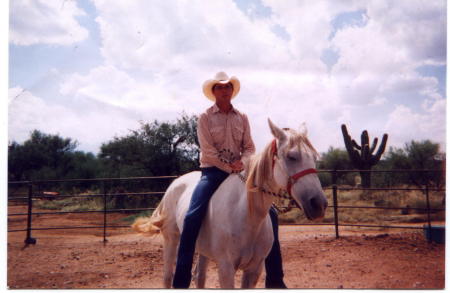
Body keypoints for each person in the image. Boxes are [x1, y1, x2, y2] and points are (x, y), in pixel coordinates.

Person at [172, 71, 287, 289]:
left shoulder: (241, 117)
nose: (224, 90)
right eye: (219, 87)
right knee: (193, 215)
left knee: (270, 213)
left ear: (232, 91)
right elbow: (207, 151)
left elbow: (250, 147)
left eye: (227, 87)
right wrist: (228, 166)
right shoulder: (205, 117)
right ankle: (181, 283)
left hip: (241, 172)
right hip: (213, 172)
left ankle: (276, 281)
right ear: (213, 92)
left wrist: (242, 163)